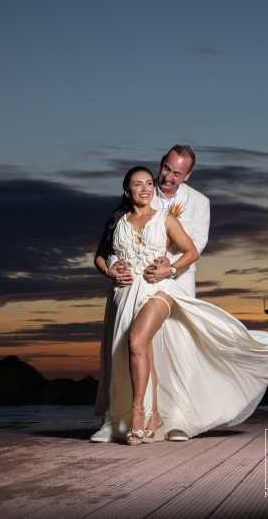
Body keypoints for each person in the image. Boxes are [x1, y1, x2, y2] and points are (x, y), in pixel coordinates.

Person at [91, 166, 268, 445]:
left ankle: (137, 415)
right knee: (134, 351)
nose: (144, 189)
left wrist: (170, 269)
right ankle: (148, 417)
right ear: (126, 190)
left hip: (159, 289)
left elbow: (191, 252)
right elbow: (100, 255)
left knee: (136, 341)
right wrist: (110, 271)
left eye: (147, 184)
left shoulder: (165, 219)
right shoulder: (116, 220)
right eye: (137, 184)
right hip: (125, 293)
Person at [92, 145, 209, 442]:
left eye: (177, 173)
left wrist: (167, 268)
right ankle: (120, 419)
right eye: (166, 169)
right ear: (161, 163)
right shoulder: (140, 193)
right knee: (131, 347)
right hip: (132, 286)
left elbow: (194, 247)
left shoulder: (198, 202)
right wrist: (115, 266)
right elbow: (114, 248)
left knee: (177, 351)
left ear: (188, 175)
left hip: (173, 282)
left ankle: (179, 419)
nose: (168, 177)